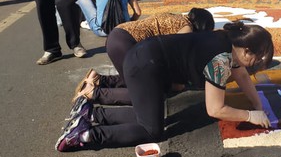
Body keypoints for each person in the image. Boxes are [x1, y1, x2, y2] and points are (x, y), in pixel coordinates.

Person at [55, 22, 274, 151]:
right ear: (246, 51)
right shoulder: (221, 60)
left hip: (144, 57)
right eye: (258, 61)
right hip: (145, 65)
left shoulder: (226, 39)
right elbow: (215, 109)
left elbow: (242, 76)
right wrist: (249, 115)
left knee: (151, 117)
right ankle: (86, 135)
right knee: (151, 130)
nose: (256, 67)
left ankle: (92, 114)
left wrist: (258, 104)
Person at [73, 8, 215, 105]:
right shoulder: (187, 29)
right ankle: (93, 93)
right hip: (126, 43)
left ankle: (99, 79)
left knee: (136, 79)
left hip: (118, 36)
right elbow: (171, 55)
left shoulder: (176, 17)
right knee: (147, 95)